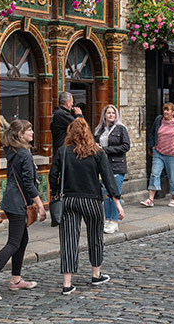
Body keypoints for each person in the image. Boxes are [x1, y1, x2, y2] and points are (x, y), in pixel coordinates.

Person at [50, 118, 122, 295]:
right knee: (95, 237)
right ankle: (96, 275)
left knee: (68, 240)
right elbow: (108, 178)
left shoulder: (63, 151)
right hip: (92, 200)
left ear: (70, 133)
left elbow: (53, 176)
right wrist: (117, 204)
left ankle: (67, 284)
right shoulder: (96, 152)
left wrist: (55, 191)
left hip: (69, 200)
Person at [0, 120, 46, 301]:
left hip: (11, 200)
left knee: (22, 239)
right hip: (17, 203)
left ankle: (16, 280)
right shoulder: (24, 154)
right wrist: (40, 205)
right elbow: (29, 183)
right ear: (19, 135)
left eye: (32, 129)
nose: (32, 132)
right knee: (14, 243)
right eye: (28, 130)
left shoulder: (14, 151)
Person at [93, 104, 130, 234]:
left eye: (113, 113)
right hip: (103, 166)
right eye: (108, 113)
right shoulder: (99, 130)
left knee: (115, 193)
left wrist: (106, 149)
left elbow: (126, 146)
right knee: (106, 195)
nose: (110, 115)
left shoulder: (121, 129)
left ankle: (114, 221)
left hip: (116, 165)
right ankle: (108, 219)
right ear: (104, 115)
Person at [141, 102, 174, 207]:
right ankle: (150, 199)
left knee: (173, 176)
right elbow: (152, 133)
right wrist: (152, 146)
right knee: (154, 173)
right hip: (159, 152)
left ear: (173, 112)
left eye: (168, 110)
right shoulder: (159, 120)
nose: (166, 112)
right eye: (165, 109)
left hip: (173, 153)